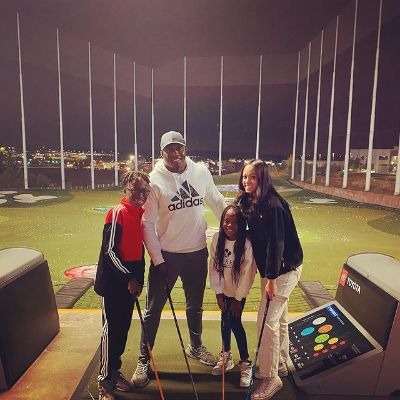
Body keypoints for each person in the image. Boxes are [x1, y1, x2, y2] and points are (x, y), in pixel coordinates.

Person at [131, 130, 226, 387]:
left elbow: (217, 203)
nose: (175, 153)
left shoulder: (201, 172)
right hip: (167, 256)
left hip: (196, 252)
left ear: (185, 148)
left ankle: (195, 346)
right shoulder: (154, 181)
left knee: (195, 305)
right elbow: (146, 223)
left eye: (179, 147)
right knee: (153, 310)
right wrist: (157, 259)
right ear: (162, 152)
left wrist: (237, 229)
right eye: (169, 149)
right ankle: (144, 359)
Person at [235, 159, 303, 400]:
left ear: (262, 178)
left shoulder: (273, 205)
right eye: (245, 176)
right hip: (271, 271)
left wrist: (272, 278)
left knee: (266, 321)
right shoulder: (249, 201)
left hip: (284, 270)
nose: (247, 181)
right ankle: (281, 362)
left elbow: (277, 244)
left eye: (253, 177)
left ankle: (270, 376)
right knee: (279, 317)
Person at [94, 171, 150, 400]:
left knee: (122, 330)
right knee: (111, 332)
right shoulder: (117, 212)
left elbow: (138, 253)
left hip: (129, 285)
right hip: (113, 285)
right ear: (125, 190)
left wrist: (138, 281)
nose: (140, 194)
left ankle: (114, 371)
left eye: (144, 190)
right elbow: (109, 251)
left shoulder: (139, 215)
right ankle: (104, 381)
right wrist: (129, 278)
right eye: (135, 190)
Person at [209, 204, 257, 388]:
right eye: (226, 221)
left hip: (238, 293)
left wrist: (238, 298)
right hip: (224, 291)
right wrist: (218, 293)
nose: (230, 225)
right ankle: (226, 356)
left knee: (235, 322)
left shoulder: (246, 244)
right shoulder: (217, 239)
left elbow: (247, 274)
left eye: (235, 222)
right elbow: (214, 267)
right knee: (224, 321)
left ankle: (245, 362)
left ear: (241, 224)